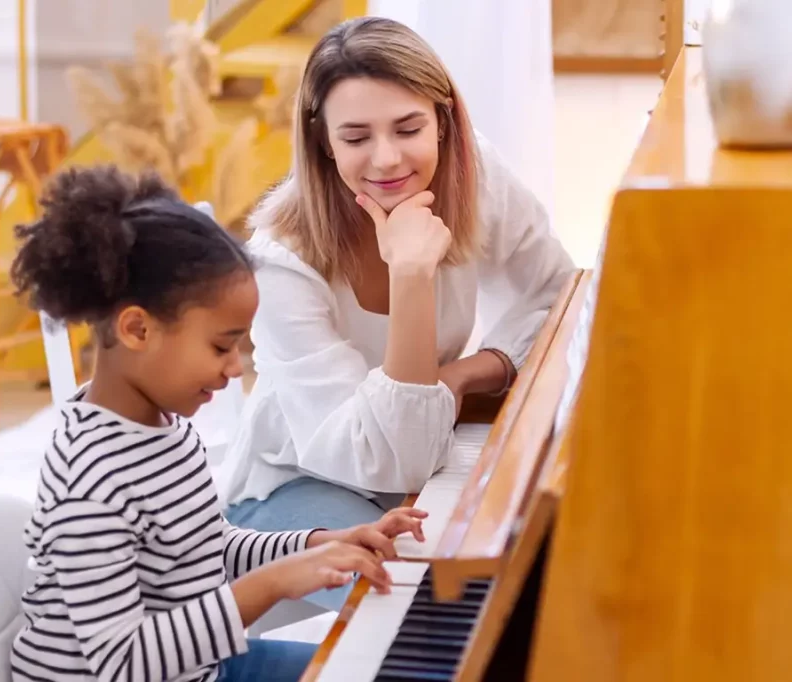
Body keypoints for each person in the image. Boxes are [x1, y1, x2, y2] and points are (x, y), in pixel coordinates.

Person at [6, 166, 428, 682]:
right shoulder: (89, 479)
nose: (235, 367)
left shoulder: (165, 431)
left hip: (202, 668)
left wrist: (323, 542)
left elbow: (208, 549)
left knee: (377, 671)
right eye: (221, 346)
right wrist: (272, 584)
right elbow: (122, 663)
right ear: (138, 329)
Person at [220, 16, 575, 568]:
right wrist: (410, 276)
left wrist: (465, 373)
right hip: (298, 488)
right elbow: (392, 462)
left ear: (442, 121)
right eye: (356, 137)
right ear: (324, 143)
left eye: (408, 129)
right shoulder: (282, 260)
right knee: (429, 584)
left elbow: (558, 293)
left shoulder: (473, 174)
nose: (387, 159)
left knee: (535, 548)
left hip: (420, 450)